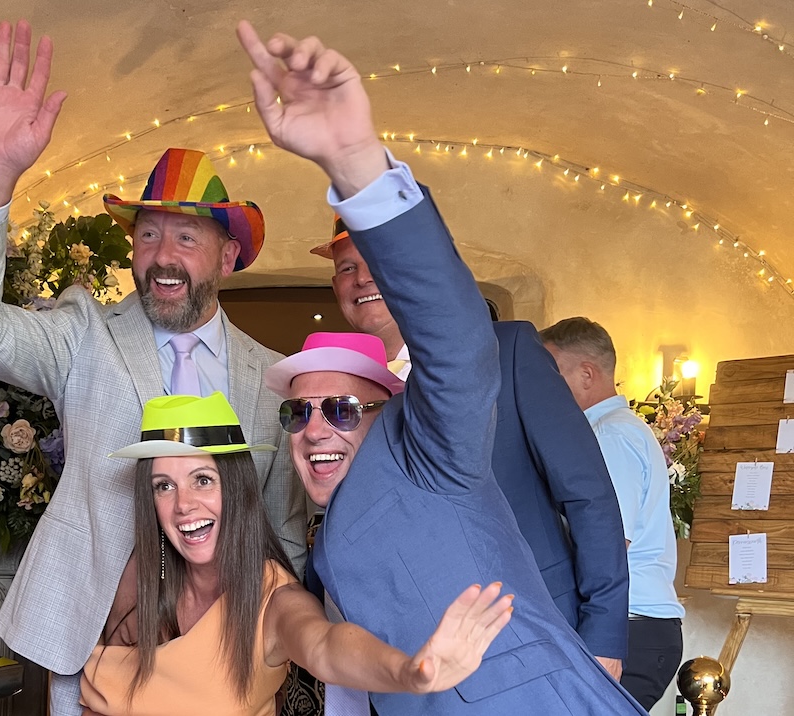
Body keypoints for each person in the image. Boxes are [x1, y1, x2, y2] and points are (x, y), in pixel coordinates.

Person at [237, 21, 647, 713]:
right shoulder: (328, 542)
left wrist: (357, 163)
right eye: (296, 412)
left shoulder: (429, 454)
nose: (313, 427)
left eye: (340, 408)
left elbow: (456, 341)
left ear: (386, 412)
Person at [0, 21, 306, 715]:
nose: (162, 255)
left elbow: (280, 531)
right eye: (148, 234)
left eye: (187, 236)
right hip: (96, 639)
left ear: (227, 258)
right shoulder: (85, 334)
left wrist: (284, 648)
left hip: (225, 656)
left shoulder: (273, 376)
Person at [311, 218, 629, 677]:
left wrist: (603, 636)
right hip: (409, 657)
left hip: (535, 633)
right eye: (346, 268)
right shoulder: (339, 393)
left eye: (376, 260)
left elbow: (589, 496)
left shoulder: (509, 351)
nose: (361, 278)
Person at [81, 392, 513, 716]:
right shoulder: (140, 577)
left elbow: (325, 646)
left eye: (203, 480)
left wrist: (407, 671)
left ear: (237, 490)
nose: (183, 505)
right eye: (164, 486)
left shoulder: (274, 600)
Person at [540, 317, 685, 711]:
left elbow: (608, 542)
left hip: (627, 626)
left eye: (552, 373)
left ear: (587, 373)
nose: (543, 387)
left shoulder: (609, 435)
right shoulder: (620, 428)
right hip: (634, 624)